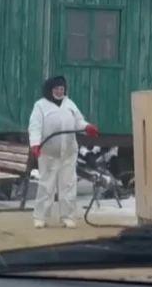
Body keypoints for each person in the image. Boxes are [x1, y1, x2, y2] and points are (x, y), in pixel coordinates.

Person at [27, 75, 98, 229]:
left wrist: (86, 127)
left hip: (68, 152)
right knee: (47, 185)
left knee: (68, 185)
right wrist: (35, 144)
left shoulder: (69, 104)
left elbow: (78, 121)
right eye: (57, 89)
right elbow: (35, 126)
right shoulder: (40, 106)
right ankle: (41, 217)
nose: (60, 92)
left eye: (62, 89)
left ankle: (67, 217)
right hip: (48, 153)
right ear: (50, 89)